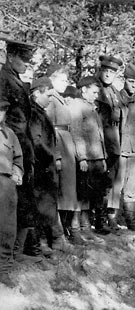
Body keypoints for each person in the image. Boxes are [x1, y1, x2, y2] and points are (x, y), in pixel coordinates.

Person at [0, 37, 41, 263]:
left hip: (23, 146)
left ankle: (16, 254)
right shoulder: (3, 79)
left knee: (24, 200)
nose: (27, 64)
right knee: (14, 202)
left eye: (29, 59)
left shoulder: (13, 78)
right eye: (24, 59)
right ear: (11, 56)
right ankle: (10, 257)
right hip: (10, 147)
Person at [45, 64, 85, 246]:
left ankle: (65, 232)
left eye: (66, 80)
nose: (65, 83)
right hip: (59, 145)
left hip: (66, 145)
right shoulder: (50, 99)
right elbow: (49, 130)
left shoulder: (59, 99)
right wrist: (58, 155)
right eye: (61, 79)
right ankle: (58, 236)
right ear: (51, 79)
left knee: (67, 193)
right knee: (60, 193)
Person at [29, 76, 67, 254]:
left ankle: (53, 242)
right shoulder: (34, 114)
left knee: (48, 205)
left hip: (46, 166)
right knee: (41, 206)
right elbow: (37, 143)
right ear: (37, 93)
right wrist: (51, 156)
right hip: (41, 167)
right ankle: (43, 244)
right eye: (48, 95)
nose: (51, 99)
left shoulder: (40, 113)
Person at [69, 75, 108, 240]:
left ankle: (86, 227)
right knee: (81, 194)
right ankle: (76, 229)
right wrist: (82, 157)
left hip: (97, 158)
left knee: (91, 195)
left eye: (97, 93)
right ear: (83, 90)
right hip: (87, 159)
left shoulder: (91, 107)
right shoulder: (77, 106)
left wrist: (103, 158)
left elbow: (99, 136)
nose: (95, 95)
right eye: (93, 92)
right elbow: (76, 132)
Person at [96, 54, 124, 232]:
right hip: (101, 142)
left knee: (109, 183)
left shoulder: (115, 92)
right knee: (100, 183)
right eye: (105, 70)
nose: (108, 74)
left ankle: (107, 218)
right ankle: (98, 221)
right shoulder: (96, 89)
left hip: (114, 142)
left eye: (111, 72)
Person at [119, 62, 135, 231]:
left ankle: (130, 219)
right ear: (124, 80)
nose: (134, 85)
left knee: (132, 186)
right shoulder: (118, 97)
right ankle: (110, 219)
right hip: (121, 147)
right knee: (116, 185)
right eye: (131, 81)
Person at [0, 100, 24, 287]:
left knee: (7, 227)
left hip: (6, 184)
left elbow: (18, 158)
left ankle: (4, 269)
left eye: (2, 110)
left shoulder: (9, 134)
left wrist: (17, 172)